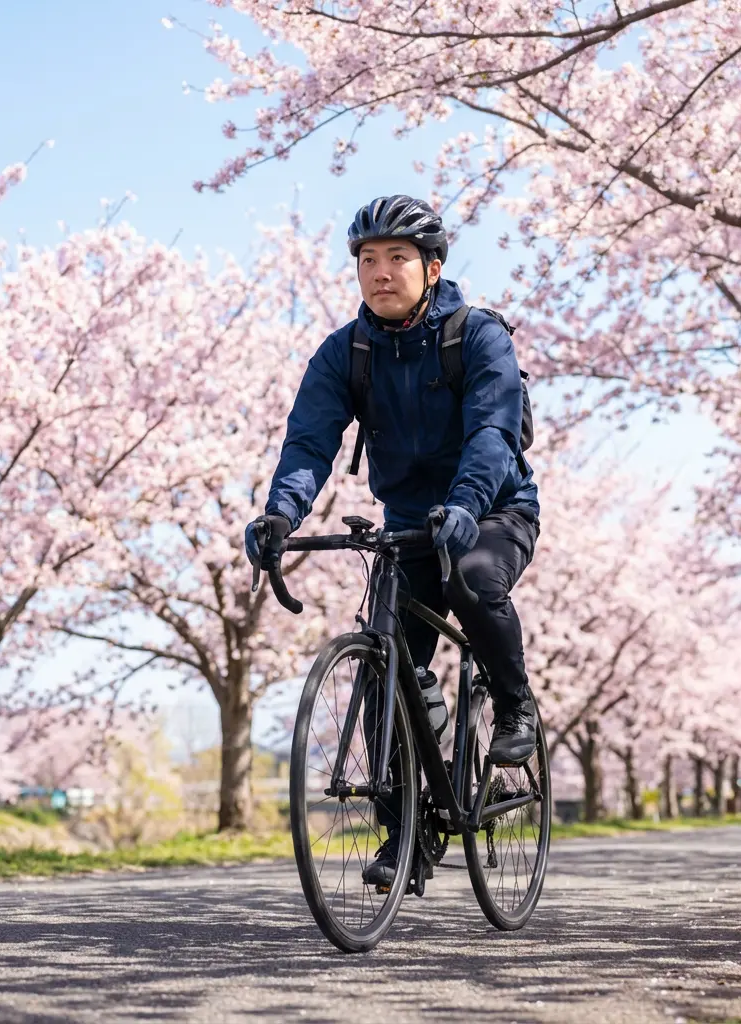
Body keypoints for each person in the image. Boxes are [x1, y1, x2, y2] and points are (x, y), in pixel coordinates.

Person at [245, 195, 540, 886]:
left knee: (471, 577)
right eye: (368, 260)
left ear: (432, 267)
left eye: (398, 258)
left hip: (495, 509)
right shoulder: (346, 352)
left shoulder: (478, 335)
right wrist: (281, 514)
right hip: (407, 523)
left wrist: (466, 503)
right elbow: (310, 441)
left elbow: (493, 433)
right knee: (386, 671)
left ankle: (514, 703)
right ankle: (409, 830)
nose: (381, 272)